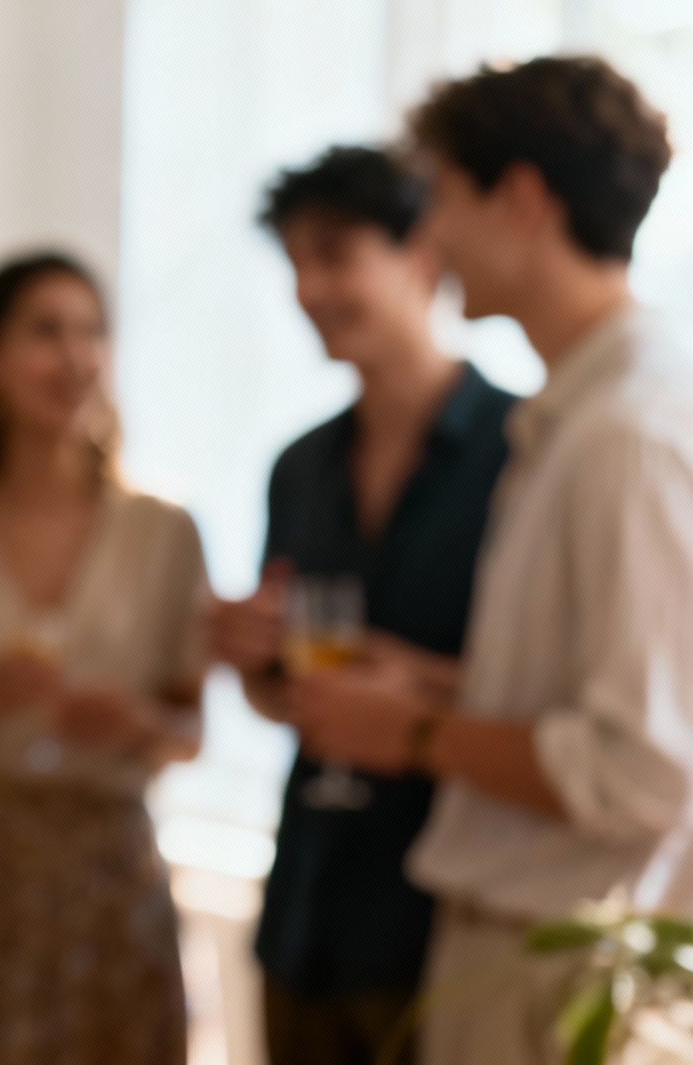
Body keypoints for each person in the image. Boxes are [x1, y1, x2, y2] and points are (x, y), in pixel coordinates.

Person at [288, 56, 691, 1064]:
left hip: (557, 971)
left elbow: (643, 767)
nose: (431, 239)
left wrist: (414, 731)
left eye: (442, 200)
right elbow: (592, 700)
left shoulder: (623, 433)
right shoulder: (573, 418)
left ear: (519, 200)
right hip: (521, 956)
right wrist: (424, 683)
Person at [207, 145, 518, 1065]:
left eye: (335, 255)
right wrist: (250, 654)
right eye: (296, 262)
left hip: (451, 919)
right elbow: (283, 696)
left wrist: (410, 689)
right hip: (306, 904)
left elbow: (559, 691)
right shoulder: (299, 467)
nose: (309, 288)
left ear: (424, 251)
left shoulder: (522, 453)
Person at [0, 252, 208, 1065]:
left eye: (93, 332)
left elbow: (190, 733)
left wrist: (137, 723)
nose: (76, 357)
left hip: (113, 880)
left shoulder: (166, 534)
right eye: (46, 331)